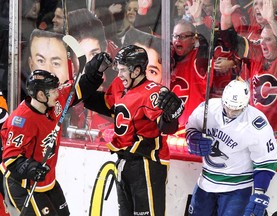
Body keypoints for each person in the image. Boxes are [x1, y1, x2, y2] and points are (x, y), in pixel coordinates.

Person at [0, 52, 112, 215]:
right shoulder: (21, 120)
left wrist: (95, 71)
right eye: (53, 91)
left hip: (47, 181)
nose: (57, 93)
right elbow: (10, 158)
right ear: (40, 95)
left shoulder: (55, 101)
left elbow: (79, 88)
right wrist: (31, 168)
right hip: (23, 185)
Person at [82, 45, 184, 216]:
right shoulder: (119, 85)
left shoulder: (152, 92)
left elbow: (167, 128)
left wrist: (171, 116)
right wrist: (91, 78)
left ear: (136, 71)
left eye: (123, 70)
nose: (119, 74)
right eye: (118, 70)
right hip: (125, 162)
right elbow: (97, 103)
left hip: (147, 163)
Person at [185, 79, 277, 216]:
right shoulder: (207, 108)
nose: (230, 112)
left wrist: (259, 192)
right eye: (227, 107)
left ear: (246, 105)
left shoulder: (257, 124)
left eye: (236, 110)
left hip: (237, 189)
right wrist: (194, 141)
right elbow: (191, 129)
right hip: (205, 182)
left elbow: (266, 161)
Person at [220, 0, 277, 163]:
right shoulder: (256, 57)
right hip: (254, 135)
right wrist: (226, 16)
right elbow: (232, 41)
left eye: (269, 40)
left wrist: (271, 21)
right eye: (261, 40)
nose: (262, 44)